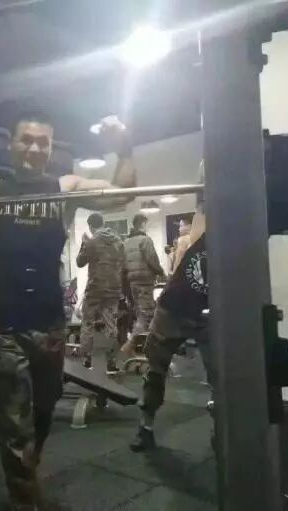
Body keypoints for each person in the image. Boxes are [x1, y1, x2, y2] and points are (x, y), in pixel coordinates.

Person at [0, 111, 137, 511]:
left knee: (43, 411)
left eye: (43, 142)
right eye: (26, 140)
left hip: (50, 323)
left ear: (50, 149)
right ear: (11, 144)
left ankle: (25, 477)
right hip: (3, 326)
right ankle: (25, 501)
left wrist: (123, 147)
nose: (34, 148)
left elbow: (123, 194)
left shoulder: (65, 188)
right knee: (13, 423)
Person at [130, 166, 209, 452]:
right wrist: (206, 170)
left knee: (223, 374)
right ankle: (145, 427)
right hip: (173, 306)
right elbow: (205, 189)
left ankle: (224, 431)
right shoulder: (203, 221)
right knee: (155, 370)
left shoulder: (247, 235)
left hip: (209, 312)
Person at [76, 212, 124, 374]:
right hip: (113, 288)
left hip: (95, 288)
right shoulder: (118, 241)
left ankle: (86, 361)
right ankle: (111, 364)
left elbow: (80, 262)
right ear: (103, 223)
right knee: (111, 324)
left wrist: (84, 243)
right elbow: (123, 263)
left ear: (90, 226)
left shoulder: (92, 241)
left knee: (88, 322)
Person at [120, 213, 165, 356]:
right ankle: (130, 344)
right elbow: (152, 260)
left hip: (132, 282)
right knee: (147, 314)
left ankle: (146, 346)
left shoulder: (126, 242)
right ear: (143, 224)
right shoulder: (145, 240)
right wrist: (161, 272)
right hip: (145, 281)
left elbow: (123, 264)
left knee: (140, 313)